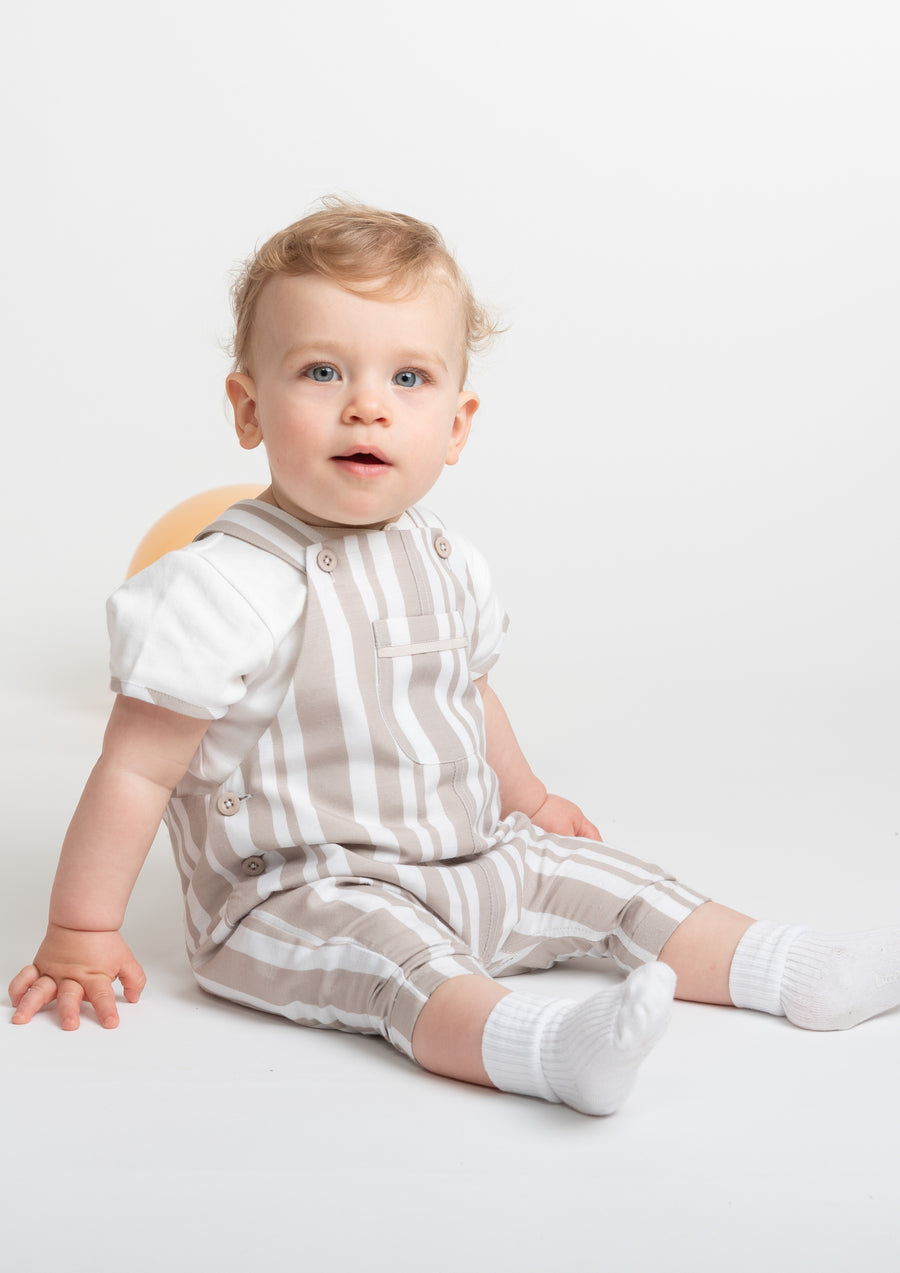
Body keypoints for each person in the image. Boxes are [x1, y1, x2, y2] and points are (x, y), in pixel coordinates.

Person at [9, 201, 900, 1116]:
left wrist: (533, 802)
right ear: (248, 407)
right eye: (321, 371)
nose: (367, 403)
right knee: (399, 963)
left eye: (409, 376)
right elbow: (134, 766)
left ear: (458, 423)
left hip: (473, 857)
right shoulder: (220, 585)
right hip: (301, 895)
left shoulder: (446, 557)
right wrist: (81, 929)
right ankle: (545, 1048)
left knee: (608, 882)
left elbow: (469, 695)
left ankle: (800, 966)